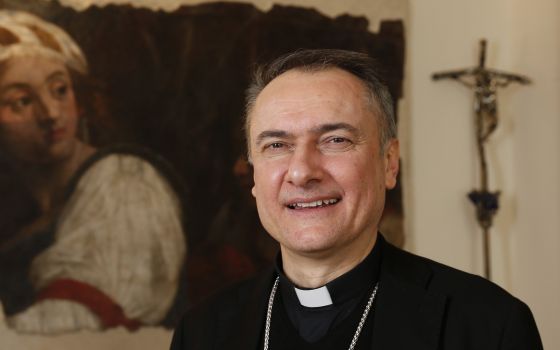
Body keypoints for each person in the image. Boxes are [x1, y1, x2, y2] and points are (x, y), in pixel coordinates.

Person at [170, 49, 542, 349]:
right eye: (277, 145)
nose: (302, 172)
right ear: (253, 175)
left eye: (335, 140)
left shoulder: (487, 326)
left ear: (389, 163)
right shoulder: (202, 333)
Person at [0, 10, 187, 334]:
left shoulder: (124, 182)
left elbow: (80, 321)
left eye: (59, 89)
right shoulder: (22, 202)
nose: (51, 114)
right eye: (21, 101)